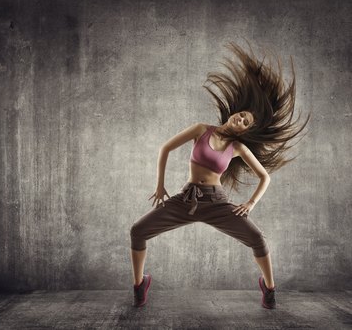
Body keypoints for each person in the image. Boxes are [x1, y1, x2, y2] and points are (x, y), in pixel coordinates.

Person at [129, 42, 311, 309]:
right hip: (185, 199)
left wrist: (250, 203)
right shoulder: (202, 129)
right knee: (138, 231)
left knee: (257, 239)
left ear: (244, 131)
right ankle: (139, 285)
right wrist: (160, 185)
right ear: (234, 113)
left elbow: (265, 177)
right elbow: (165, 148)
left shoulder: (237, 147)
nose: (241, 120)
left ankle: (269, 288)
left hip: (217, 203)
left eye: (246, 123)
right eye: (241, 116)